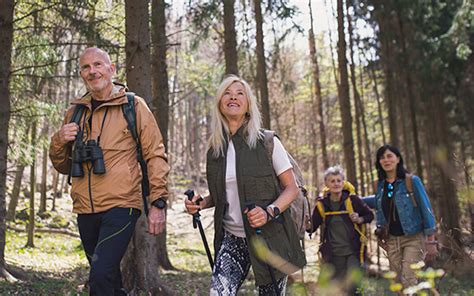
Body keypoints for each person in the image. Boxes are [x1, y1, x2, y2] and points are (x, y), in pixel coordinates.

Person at [49, 47, 170, 295]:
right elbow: (62, 166)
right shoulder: (75, 112)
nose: (92, 71)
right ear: (81, 74)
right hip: (85, 208)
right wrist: (59, 140)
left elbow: (155, 154)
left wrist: (158, 201)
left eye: (98, 65)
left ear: (111, 69)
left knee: (100, 274)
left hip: (121, 205)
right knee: (109, 278)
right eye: (86, 67)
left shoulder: (133, 106)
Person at [184, 75, 306, 295]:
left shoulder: (268, 142)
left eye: (240, 93)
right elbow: (221, 194)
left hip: (270, 238)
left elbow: (292, 188)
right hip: (232, 239)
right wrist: (200, 203)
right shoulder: (215, 150)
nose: (233, 97)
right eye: (227, 93)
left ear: (248, 105)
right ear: (220, 103)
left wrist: (269, 212)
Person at [373, 145, 437, 288]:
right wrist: (380, 233)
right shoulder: (380, 185)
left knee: (409, 281)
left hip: (413, 238)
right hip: (392, 240)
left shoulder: (411, 181)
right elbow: (380, 210)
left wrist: (431, 240)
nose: (386, 160)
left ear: (398, 159)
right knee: (397, 284)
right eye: (382, 158)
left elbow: (426, 209)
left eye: (389, 156)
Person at [308, 165, 373, 294]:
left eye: (339, 180)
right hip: (333, 254)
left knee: (354, 287)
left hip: (354, 253)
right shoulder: (322, 205)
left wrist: (359, 219)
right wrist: (305, 223)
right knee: (337, 288)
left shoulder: (353, 201)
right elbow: (311, 228)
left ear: (343, 183)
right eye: (332, 181)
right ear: (326, 183)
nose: (336, 183)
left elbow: (370, 215)